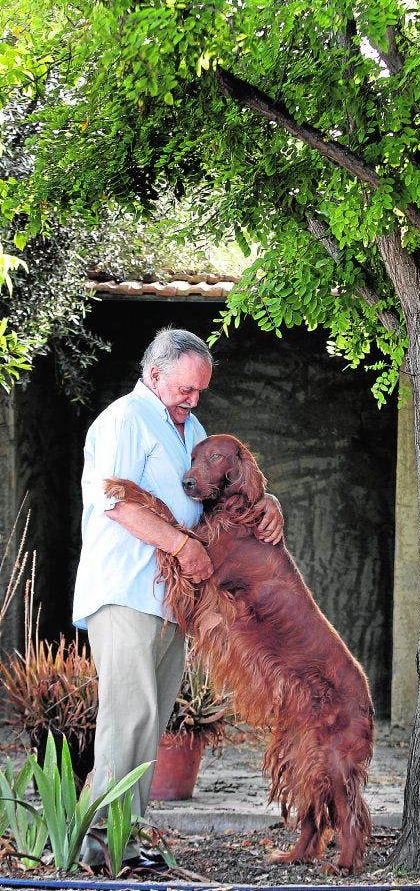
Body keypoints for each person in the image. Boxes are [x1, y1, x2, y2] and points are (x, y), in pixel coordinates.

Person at [73, 327, 283, 869]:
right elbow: (113, 501)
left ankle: (123, 842)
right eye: (186, 390)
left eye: (200, 392)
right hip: (127, 588)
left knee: (150, 718)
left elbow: (223, 488)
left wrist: (269, 502)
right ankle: (97, 849)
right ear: (155, 374)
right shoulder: (124, 419)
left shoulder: (189, 427)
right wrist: (182, 546)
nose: (194, 401)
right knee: (130, 716)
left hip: (171, 599)